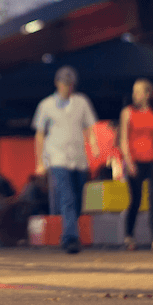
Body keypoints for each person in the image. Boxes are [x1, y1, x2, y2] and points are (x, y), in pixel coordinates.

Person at [32, 65, 99, 254]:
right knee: (67, 198)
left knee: (77, 199)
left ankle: (69, 232)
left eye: (70, 85)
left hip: (79, 159)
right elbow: (39, 135)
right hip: (57, 158)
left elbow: (89, 127)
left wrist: (93, 145)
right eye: (64, 84)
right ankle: (70, 239)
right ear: (57, 84)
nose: (67, 88)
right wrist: (40, 162)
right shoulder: (46, 105)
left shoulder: (81, 102)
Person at [119, 78, 153, 251]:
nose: (135, 95)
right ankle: (129, 236)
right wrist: (128, 161)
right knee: (136, 200)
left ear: (147, 94)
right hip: (136, 161)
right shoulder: (127, 112)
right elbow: (123, 139)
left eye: (138, 91)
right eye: (133, 91)